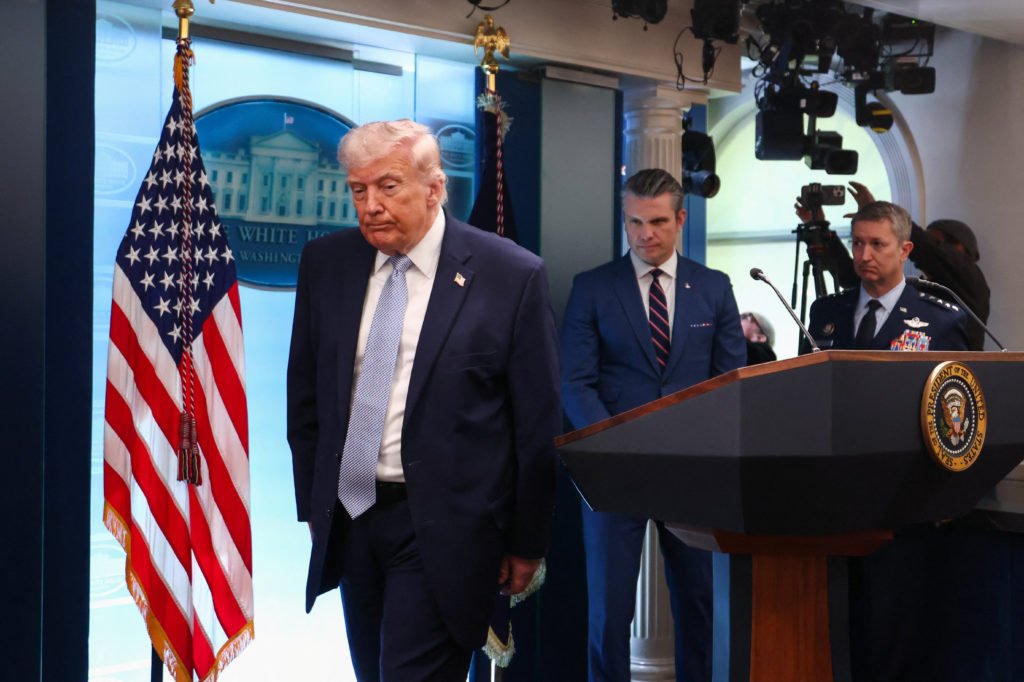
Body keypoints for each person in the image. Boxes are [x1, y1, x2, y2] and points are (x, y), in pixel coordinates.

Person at [287, 119, 560, 681]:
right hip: (353, 518)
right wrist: (314, 508)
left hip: (445, 527)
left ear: (435, 188)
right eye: (358, 190)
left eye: (388, 187)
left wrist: (526, 541)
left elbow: (534, 427)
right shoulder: (327, 264)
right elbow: (306, 400)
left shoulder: (509, 275)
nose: (371, 205)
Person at [561, 168, 746, 682]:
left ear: (681, 219)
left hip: (691, 473)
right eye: (635, 222)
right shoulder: (593, 288)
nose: (646, 233)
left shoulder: (713, 287)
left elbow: (730, 381)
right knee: (609, 611)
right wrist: (615, 449)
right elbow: (575, 382)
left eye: (658, 221)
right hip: (613, 472)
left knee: (700, 604)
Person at [797, 181, 989, 349]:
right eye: (858, 243)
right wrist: (821, 230)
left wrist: (882, 214)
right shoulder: (913, 287)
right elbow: (851, 275)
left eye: (878, 243)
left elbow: (929, 251)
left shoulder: (968, 285)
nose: (865, 255)